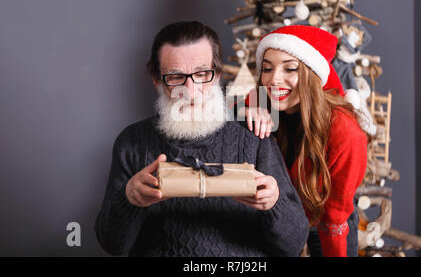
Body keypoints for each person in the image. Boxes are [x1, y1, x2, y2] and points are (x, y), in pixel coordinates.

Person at [94, 21, 309, 257]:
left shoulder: (253, 134)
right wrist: (129, 199)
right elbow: (112, 245)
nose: (191, 90)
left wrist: (274, 203)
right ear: (157, 79)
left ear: (216, 75)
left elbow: (294, 244)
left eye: (201, 74)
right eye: (175, 77)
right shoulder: (132, 142)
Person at [241, 25, 370, 257]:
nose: (274, 79)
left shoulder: (345, 131)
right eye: (267, 68)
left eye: (290, 69)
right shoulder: (266, 105)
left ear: (313, 74)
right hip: (282, 217)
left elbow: (336, 213)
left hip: (328, 219)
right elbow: (219, 117)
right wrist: (249, 107)